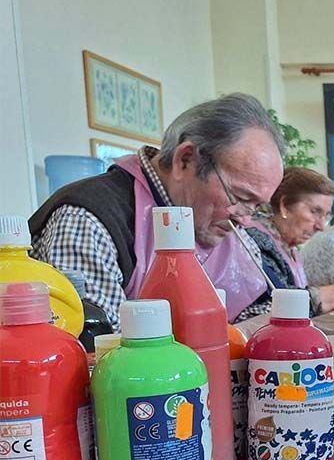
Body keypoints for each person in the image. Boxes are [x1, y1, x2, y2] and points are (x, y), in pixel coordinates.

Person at [30, 93, 285, 328]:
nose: (244, 219)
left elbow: (265, 310)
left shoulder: (231, 233)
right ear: (185, 159)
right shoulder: (89, 221)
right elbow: (99, 350)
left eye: (257, 207)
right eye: (240, 197)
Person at [243, 168, 334, 317]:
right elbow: (278, 309)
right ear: (285, 206)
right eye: (315, 211)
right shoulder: (255, 242)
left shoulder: (288, 247)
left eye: (326, 215)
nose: (321, 226)